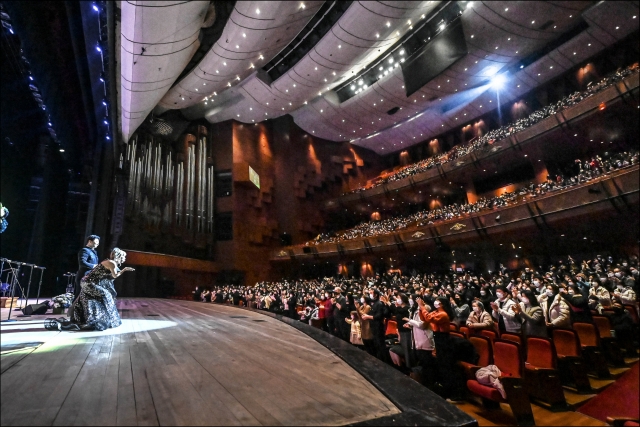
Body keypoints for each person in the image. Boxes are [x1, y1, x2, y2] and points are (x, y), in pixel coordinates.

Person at [65, 248, 134, 331]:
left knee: (95, 298)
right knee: (106, 295)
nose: (125, 259)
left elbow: (113, 276)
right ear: (119, 256)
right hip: (89, 283)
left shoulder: (110, 262)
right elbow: (115, 276)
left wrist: (123, 270)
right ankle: (107, 320)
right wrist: (124, 270)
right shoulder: (111, 263)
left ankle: (96, 319)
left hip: (89, 282)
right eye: (124, 257)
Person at [74, 235, 100, 300]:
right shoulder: (84, 250)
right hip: (84, 276)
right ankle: (73, 309)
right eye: (96, 241)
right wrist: (94, 266)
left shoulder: (94, 252)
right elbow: (82, 262)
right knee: (79, 296)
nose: (98, 243)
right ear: (90, 241)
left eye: (98, 241)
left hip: (90, 277)